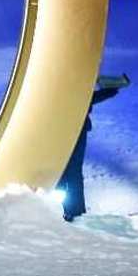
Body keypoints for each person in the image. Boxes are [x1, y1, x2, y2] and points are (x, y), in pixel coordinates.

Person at [56, 74, 130, 221]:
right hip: (64, 127)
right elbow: (86, 98)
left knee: (70, 171)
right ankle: (70, 210)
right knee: (67, 172)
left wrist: (109, 91)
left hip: (73, 128)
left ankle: (72, 211)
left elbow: (86, 99)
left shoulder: (71, 81)